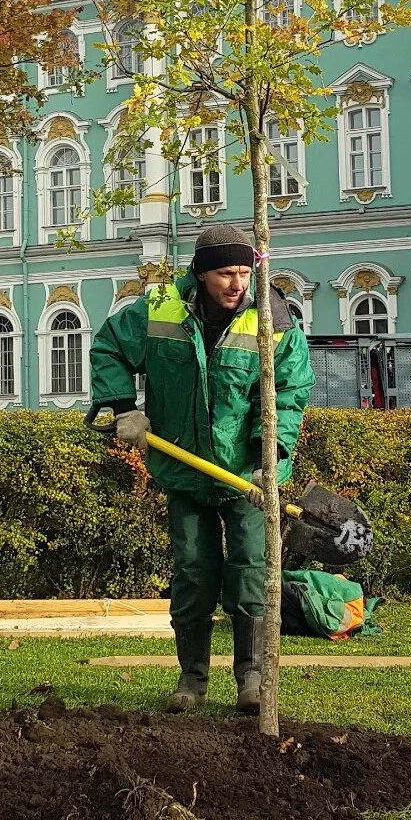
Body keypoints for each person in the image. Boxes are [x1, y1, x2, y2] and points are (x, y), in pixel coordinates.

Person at [90, 225, 316, 715]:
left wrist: (270, 459)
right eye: (224, 273)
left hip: (247, 480)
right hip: (184, 473)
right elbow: (108, 345)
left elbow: (288, 394)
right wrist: (122, 406)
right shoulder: (159, 311)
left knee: (251, 572)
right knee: (193, 573)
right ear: (201, 274)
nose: (237, 284)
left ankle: (252, 679)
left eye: (242, 272)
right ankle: (191, 679)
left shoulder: (272, 320)